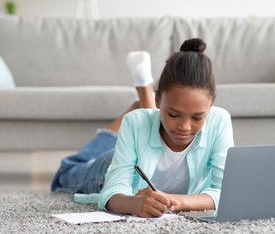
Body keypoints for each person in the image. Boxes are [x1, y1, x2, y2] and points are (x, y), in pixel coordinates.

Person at [51, 38, 234, 218]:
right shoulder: (135, 123)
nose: (184, 127)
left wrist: (173, 201)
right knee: (66, 172)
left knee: (141, 123)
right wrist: (136, 204)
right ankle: (144, 98)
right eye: (173, 114)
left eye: (197, 117)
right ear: (158, 102)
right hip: (113, 164)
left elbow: (225, 193)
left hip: (140, 138)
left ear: (210, 108)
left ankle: (144, 100)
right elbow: (112, 191)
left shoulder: (219, 121)